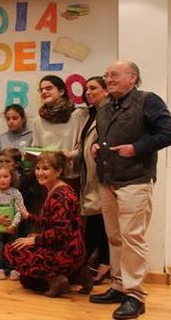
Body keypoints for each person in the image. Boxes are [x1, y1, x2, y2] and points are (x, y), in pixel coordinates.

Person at [90, 61, 171, 320]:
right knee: (115, 238)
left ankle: (135, 296)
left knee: (133, 238)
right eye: (106, 75)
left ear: (132, 77)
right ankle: (118, 287)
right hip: (108, 180)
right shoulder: (105, 107)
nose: (108, 79)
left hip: (135, 181)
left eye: (114, 75)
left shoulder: (149, 101)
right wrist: (97, 146)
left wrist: (137, 148)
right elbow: (107, 136)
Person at [4, 152, 91, 298]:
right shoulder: (56, 189)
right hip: (66, 246)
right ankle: (77, 275)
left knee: (12, 249)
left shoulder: (60, 195)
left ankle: (57, 279)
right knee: (27, 280)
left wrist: (35, 239)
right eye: (38, 168)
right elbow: (49, 222)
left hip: (66, 250)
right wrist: (27, 216)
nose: (40, 173)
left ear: (58, 171)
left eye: (45, 169)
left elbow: (60, 232)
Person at [75, 76, 111, 284]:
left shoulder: (109, 113)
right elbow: (84, 147)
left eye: (93, 88)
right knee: (96, 219)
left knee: (101, 221)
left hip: (102, 175)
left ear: (106, 91)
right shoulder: (90, 114)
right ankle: (95, 263)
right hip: (89, 173)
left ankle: (103, 263)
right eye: (86, 88)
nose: (88, 92)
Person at [31, 75, 87, 192]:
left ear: (61, 91)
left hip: (71, 175)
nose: (44, 92)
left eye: (49, 88)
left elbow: (85, 146)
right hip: (47, 177)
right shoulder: (38, 120)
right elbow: (36, 148)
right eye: (41, 90)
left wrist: (72, 154)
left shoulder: (78, 115)